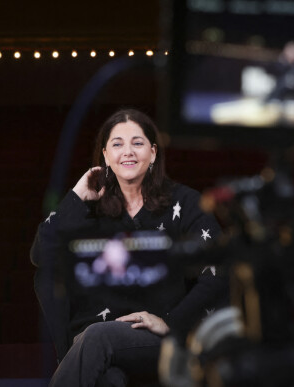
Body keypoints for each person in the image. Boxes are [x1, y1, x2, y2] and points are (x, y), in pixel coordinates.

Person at [31, 108, 228, 386]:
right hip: (95, 340)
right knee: (108, 380)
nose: (128, 152)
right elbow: (42, 256)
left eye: (137, 143)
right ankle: (77, 356)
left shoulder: (185, 202)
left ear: (153, 153)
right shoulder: (88, 208)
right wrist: (76, 197)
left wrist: (171, 321)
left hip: (162, 338)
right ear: (105, 156)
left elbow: (219, 267)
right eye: (117, 144)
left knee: (97, 337)